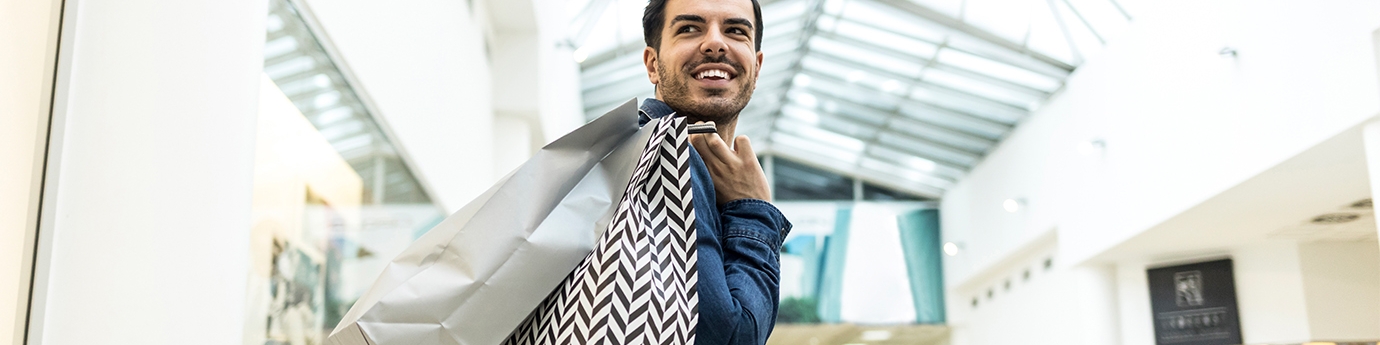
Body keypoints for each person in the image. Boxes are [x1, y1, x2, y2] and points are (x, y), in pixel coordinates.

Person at [638, 0, 792, 344]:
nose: (715, 43)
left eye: (736, 31)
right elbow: (730, 337)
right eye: (689, 28)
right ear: (653, 65)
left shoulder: (634, 149)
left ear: (757, 65)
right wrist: (753, 209)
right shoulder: (661, 155)